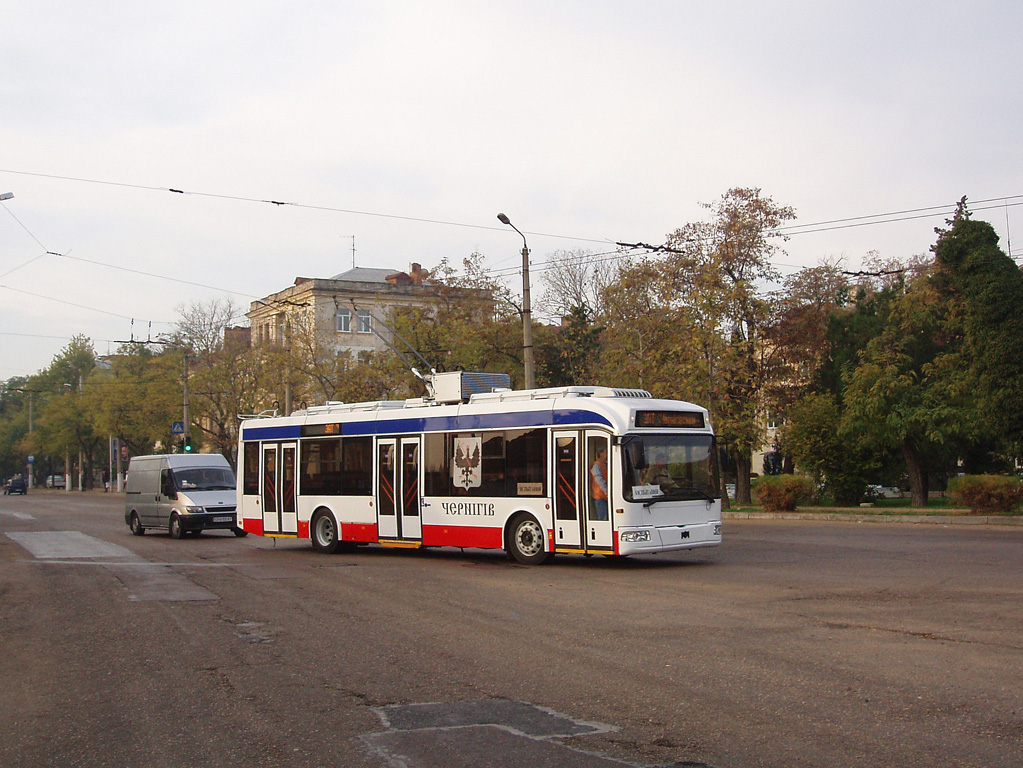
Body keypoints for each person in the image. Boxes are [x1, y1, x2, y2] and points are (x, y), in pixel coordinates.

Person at [590, 446, 609, 521]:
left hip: (604, 496)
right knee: (603, 518)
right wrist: (606, 491)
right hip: (600, 496)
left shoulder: (605, 465)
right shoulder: (596, 466)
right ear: (601, 454)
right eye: (606, 452)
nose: (608, 454)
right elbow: (599, 479)